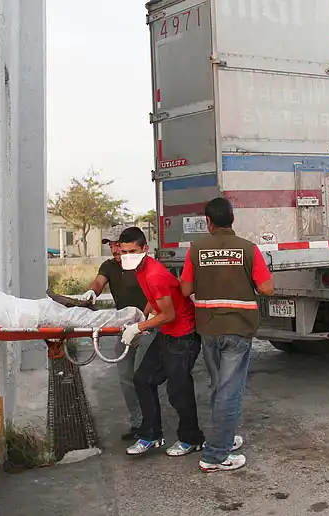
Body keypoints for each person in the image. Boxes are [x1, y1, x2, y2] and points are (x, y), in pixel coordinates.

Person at [180, 197, 274, 472]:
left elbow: (185, 290)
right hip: (238, 329)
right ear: (232, 219)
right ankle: (215, 456)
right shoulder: (248, 249)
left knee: (220, 388)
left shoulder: (196, 249)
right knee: (229, 392)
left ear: (208, 222)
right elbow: (267, 288)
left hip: (209, 328)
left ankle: (225, 438)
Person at [117, 226, 205, 457]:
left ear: (145, 249)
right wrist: (143, 316)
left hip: (183, 334)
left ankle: (192, 439)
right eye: (124, 252)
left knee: (178, 389)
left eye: (133, 251)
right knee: (143, 379)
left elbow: (169, 314)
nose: (128, 256)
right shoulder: (141, 269)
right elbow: (154, 298)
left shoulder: (154, 274)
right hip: (168, 332)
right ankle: (151, 435)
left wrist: (138, 328)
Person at [86, 224, 153, 441]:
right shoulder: (109, 266)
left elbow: (156, 295)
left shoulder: (144, 265)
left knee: (143, 377)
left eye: (118, 245)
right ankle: (138, 422)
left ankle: (152, 424)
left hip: (147, 327)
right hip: (124, 329)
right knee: (126, 377)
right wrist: (91, 292)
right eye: (111, 246)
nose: (114, 250)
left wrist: (143, 320)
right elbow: (99, 282)